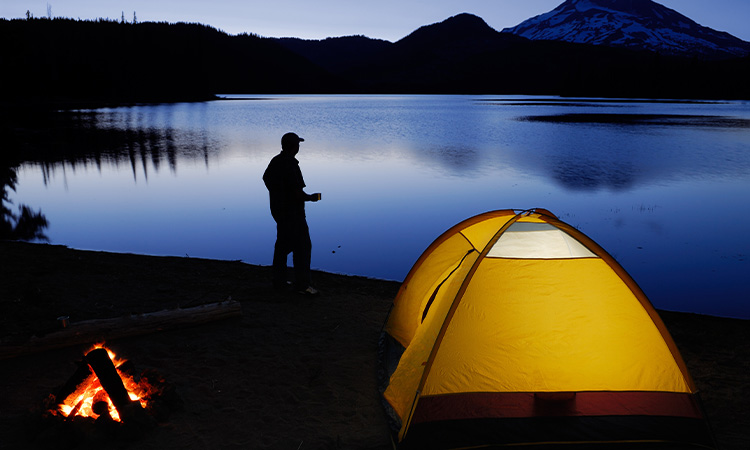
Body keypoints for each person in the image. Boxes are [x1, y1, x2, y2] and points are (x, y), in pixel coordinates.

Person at [263, 132, 321, 295]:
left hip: (279, 213)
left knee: (282, 246)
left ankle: (279, 281)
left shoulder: (276, 161)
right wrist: (311, 198)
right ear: (293, 146)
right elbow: (297, 193)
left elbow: (266, 178)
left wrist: (277, 194)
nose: (299, 147)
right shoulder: (290, 164)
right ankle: (302, 286)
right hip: (293, 214)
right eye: (298, 144)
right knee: (302, 247)